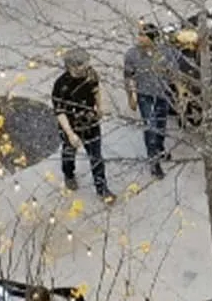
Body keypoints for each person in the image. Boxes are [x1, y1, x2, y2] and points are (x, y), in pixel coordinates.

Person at [52, 47, 113, 203]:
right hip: (71, 126)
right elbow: (60, 112)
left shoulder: (91, 74)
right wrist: (70, 134)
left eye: (85, 64)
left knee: (96, 157)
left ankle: (102, 189)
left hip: (90, 123)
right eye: (80, 65)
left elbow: (96, 90)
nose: (84, 67)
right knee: (68, 153)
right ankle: (69, 174)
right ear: (70, 66)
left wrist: (99, 107)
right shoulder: (61, 85)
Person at [123, 23, 174, 179]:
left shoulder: (165, 52)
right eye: (139, 34)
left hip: (162, 94)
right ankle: (154, 162)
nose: (139, 38)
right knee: (150, 128)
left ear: (152, 38)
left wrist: (179, 92)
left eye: (143, 35)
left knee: (161, 125)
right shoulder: (132, 55)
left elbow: (173, 72)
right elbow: (128, 76)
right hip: (144, 95)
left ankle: (159, 148)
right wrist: (131, 96)